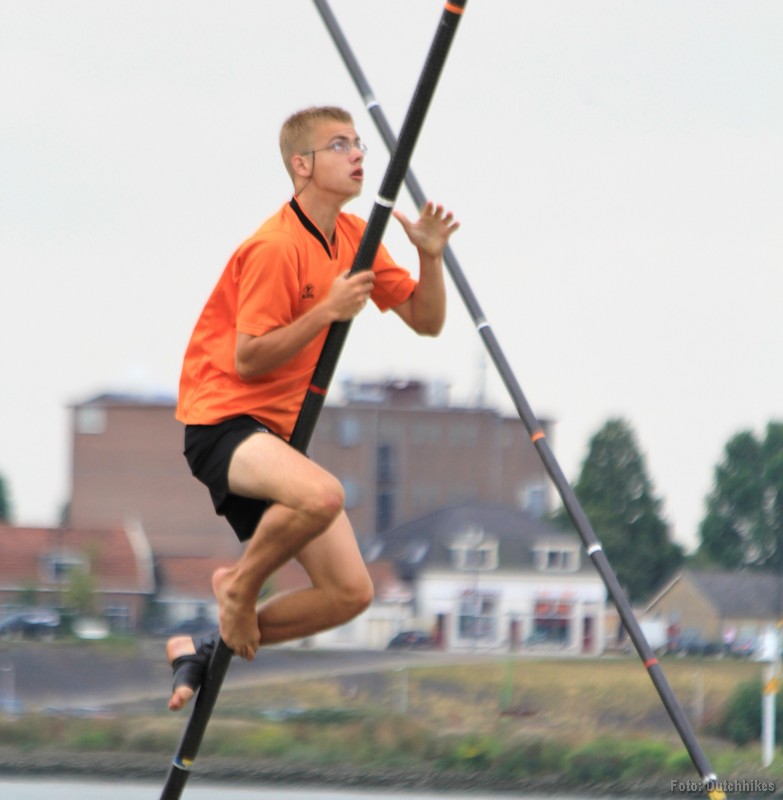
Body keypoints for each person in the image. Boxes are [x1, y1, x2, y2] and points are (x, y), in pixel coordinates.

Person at [166, 105, 459, 711]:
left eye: (358, 144)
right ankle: (237, 586)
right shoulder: (275, 247)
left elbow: (426, 320)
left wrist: (430, 256)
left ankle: (202, 648)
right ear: (302, 165)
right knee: (324, 495)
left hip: (274, 437)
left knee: (350, 593)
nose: (357, 156)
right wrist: (326, 311)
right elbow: (249, 359)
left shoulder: (355, 238)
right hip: (222, 421)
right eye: (339, 145)